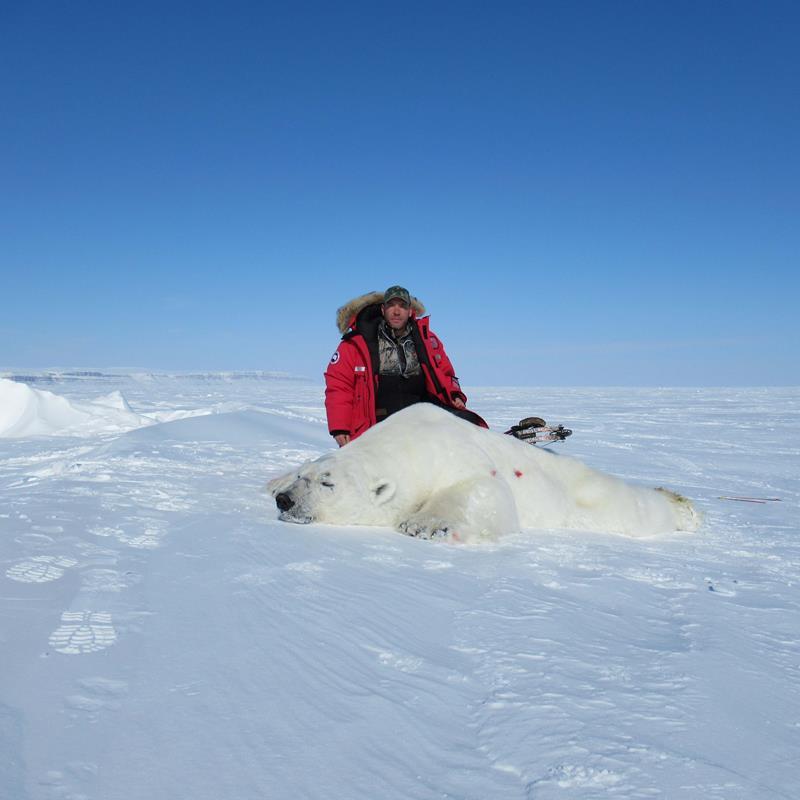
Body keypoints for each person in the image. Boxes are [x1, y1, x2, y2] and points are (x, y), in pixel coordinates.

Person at [324, 285, 486, 446]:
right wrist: (340, 427)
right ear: (383, 309)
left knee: (471, 427)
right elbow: (339, 384)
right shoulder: (356, 343)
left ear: (410, 311)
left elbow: (445, 372)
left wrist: (455, 395)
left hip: (421, 416)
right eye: (391, 305)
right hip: (379, 422)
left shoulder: (427, 340)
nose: (396, 311)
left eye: (402, 306)